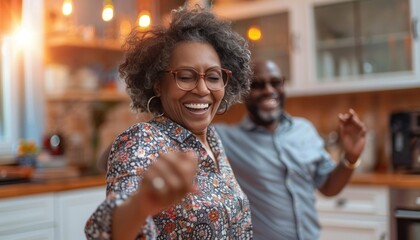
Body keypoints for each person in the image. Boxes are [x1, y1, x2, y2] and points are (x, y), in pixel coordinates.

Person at [85, 5, 253, 240]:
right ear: (157, 84)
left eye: (213, 77)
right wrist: (141, 204)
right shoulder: (142, 140)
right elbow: (112, 228)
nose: (203, 89)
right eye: (185, 76)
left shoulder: (213, 141)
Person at [215, 59, 367, 240]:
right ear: (244, 92)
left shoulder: (305, 130)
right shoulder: (225, 139)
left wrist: (351, 156)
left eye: (276, 82)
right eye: (258, 85)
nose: (269, 90)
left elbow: (327, 186)